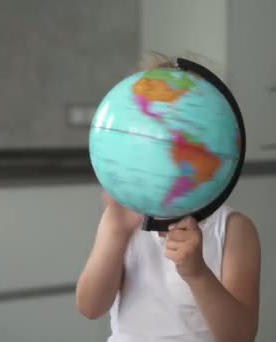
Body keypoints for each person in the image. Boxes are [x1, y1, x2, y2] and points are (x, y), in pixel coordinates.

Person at [75, 53, 261, 342]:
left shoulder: (234, 229)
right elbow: (89, 307)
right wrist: (115, 231)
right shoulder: (121, 217)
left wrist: (197, 273)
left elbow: (241, 337)